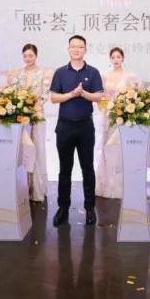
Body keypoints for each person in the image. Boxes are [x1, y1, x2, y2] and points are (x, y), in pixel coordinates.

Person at [49, 35, 104, 226]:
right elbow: (54, 98)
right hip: (64, 126)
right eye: (73, 46)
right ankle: (63, 208)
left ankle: (90, 208)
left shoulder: (93, 72)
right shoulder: (60, 72)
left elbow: (98, 96)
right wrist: (71, 94)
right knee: (65, 169)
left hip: (85, 126)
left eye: (80, 47)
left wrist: (83, 93)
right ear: (68, 49)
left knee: (87, 168)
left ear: (85, 50)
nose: (76, 49)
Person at [7, 43, 53, 202]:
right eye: (25, 56)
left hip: (37, 115)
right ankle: (23, 189)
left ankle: (37, 190)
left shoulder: (43, 73)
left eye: (31, 55)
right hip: (20, 117)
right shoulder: (17, 73)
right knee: (23, 150)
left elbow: (45, 95)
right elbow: (13, 93)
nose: (28, 58)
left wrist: (33, 107)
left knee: (37, 149)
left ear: (36, 56)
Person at [94, 47, 140, 199]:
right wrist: (104, 99)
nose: (115, 60)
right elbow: (99, 96)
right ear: (110, 59)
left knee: (120, 148)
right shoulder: (104, 76)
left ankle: (120, 186)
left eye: (118, 57)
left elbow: (135, 97)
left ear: (123, 58)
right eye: (113, 57)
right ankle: (106, 185)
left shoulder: (130, 77)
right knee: (105, 147)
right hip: (107, 116)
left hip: (122, 118)